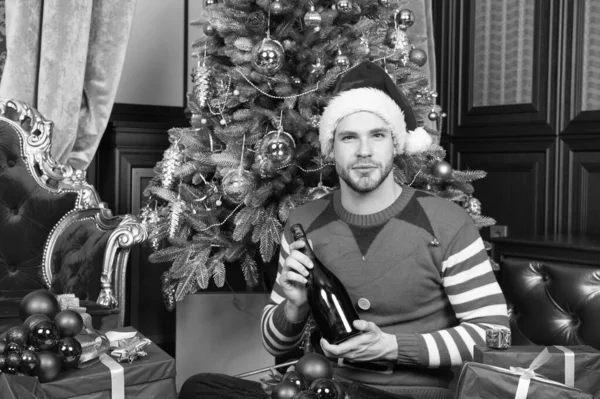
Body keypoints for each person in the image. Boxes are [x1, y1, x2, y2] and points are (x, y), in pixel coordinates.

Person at [179, 61, 510, 399]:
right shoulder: (303, 223)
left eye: (377, 136)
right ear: (330, 149)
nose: (364, 151)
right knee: (200, 388)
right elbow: (275, 342)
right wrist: (293, 307)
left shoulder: (447, 221)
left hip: (411, 394)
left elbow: (493, 332)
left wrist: (394, 347)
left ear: (395, 144)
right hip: (325, 389)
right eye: (349, 137)